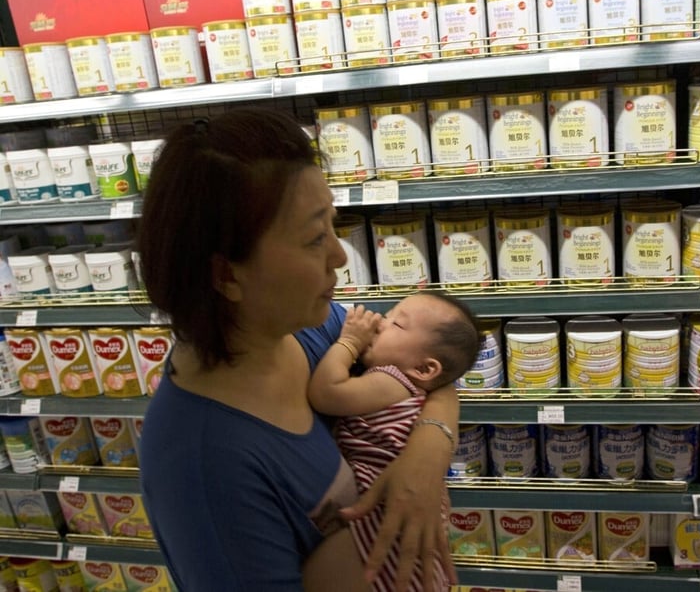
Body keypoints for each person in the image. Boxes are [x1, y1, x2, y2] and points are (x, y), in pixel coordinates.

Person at [136, 107, 459, 591]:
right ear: (226, 275)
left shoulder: (310, 327)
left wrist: (427, 455)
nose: (339, 254)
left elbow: (434, 370)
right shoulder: (206, 467)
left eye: (333, 223)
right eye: (314, 238)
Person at [309, 293, 481, 592]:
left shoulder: (393, 380)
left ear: (425, 369)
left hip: (383, 511)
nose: (379, 323)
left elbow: (326, 393)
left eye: (396, 323)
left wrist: (349, 342)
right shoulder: (409, 386)